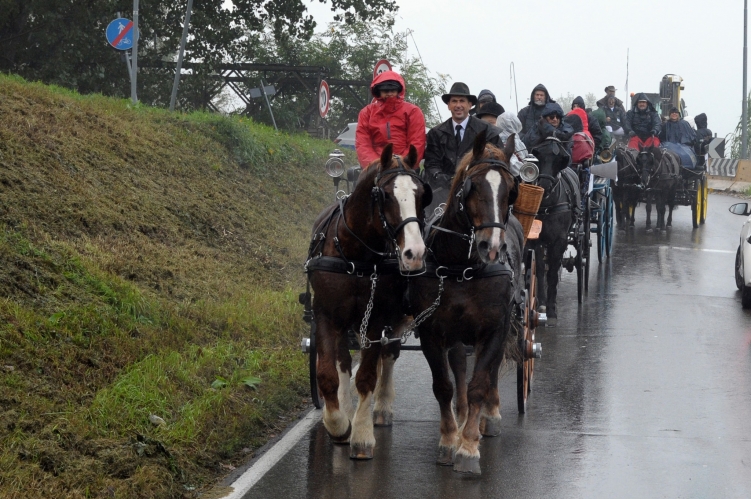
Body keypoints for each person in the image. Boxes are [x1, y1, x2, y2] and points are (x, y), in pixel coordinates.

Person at [424, 82, 504, 212]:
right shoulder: (436, 133)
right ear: (449, 105)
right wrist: (442, 178)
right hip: (443, 194)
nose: (458, 105)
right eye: (454, 101)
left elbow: (497, 161)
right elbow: (431, 164)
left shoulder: (487, 131)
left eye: (462, 101)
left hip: (478, 193)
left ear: (470, 104)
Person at [355, 70, 426, 168]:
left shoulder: (413, 111)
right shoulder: (366, 113)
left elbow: (417, 142)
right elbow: (363, 144)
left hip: (406, 166)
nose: (389, 93)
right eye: (385, 91)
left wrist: (402, 164)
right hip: (376, 167)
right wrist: (377, 165)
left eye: (392, 90)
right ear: (378, 92)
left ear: (398, 91)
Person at [496, 111, 528, 176]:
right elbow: (512, 164)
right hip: (513, 178)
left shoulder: (517, 139)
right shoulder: (503, 140)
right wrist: (525, 170)